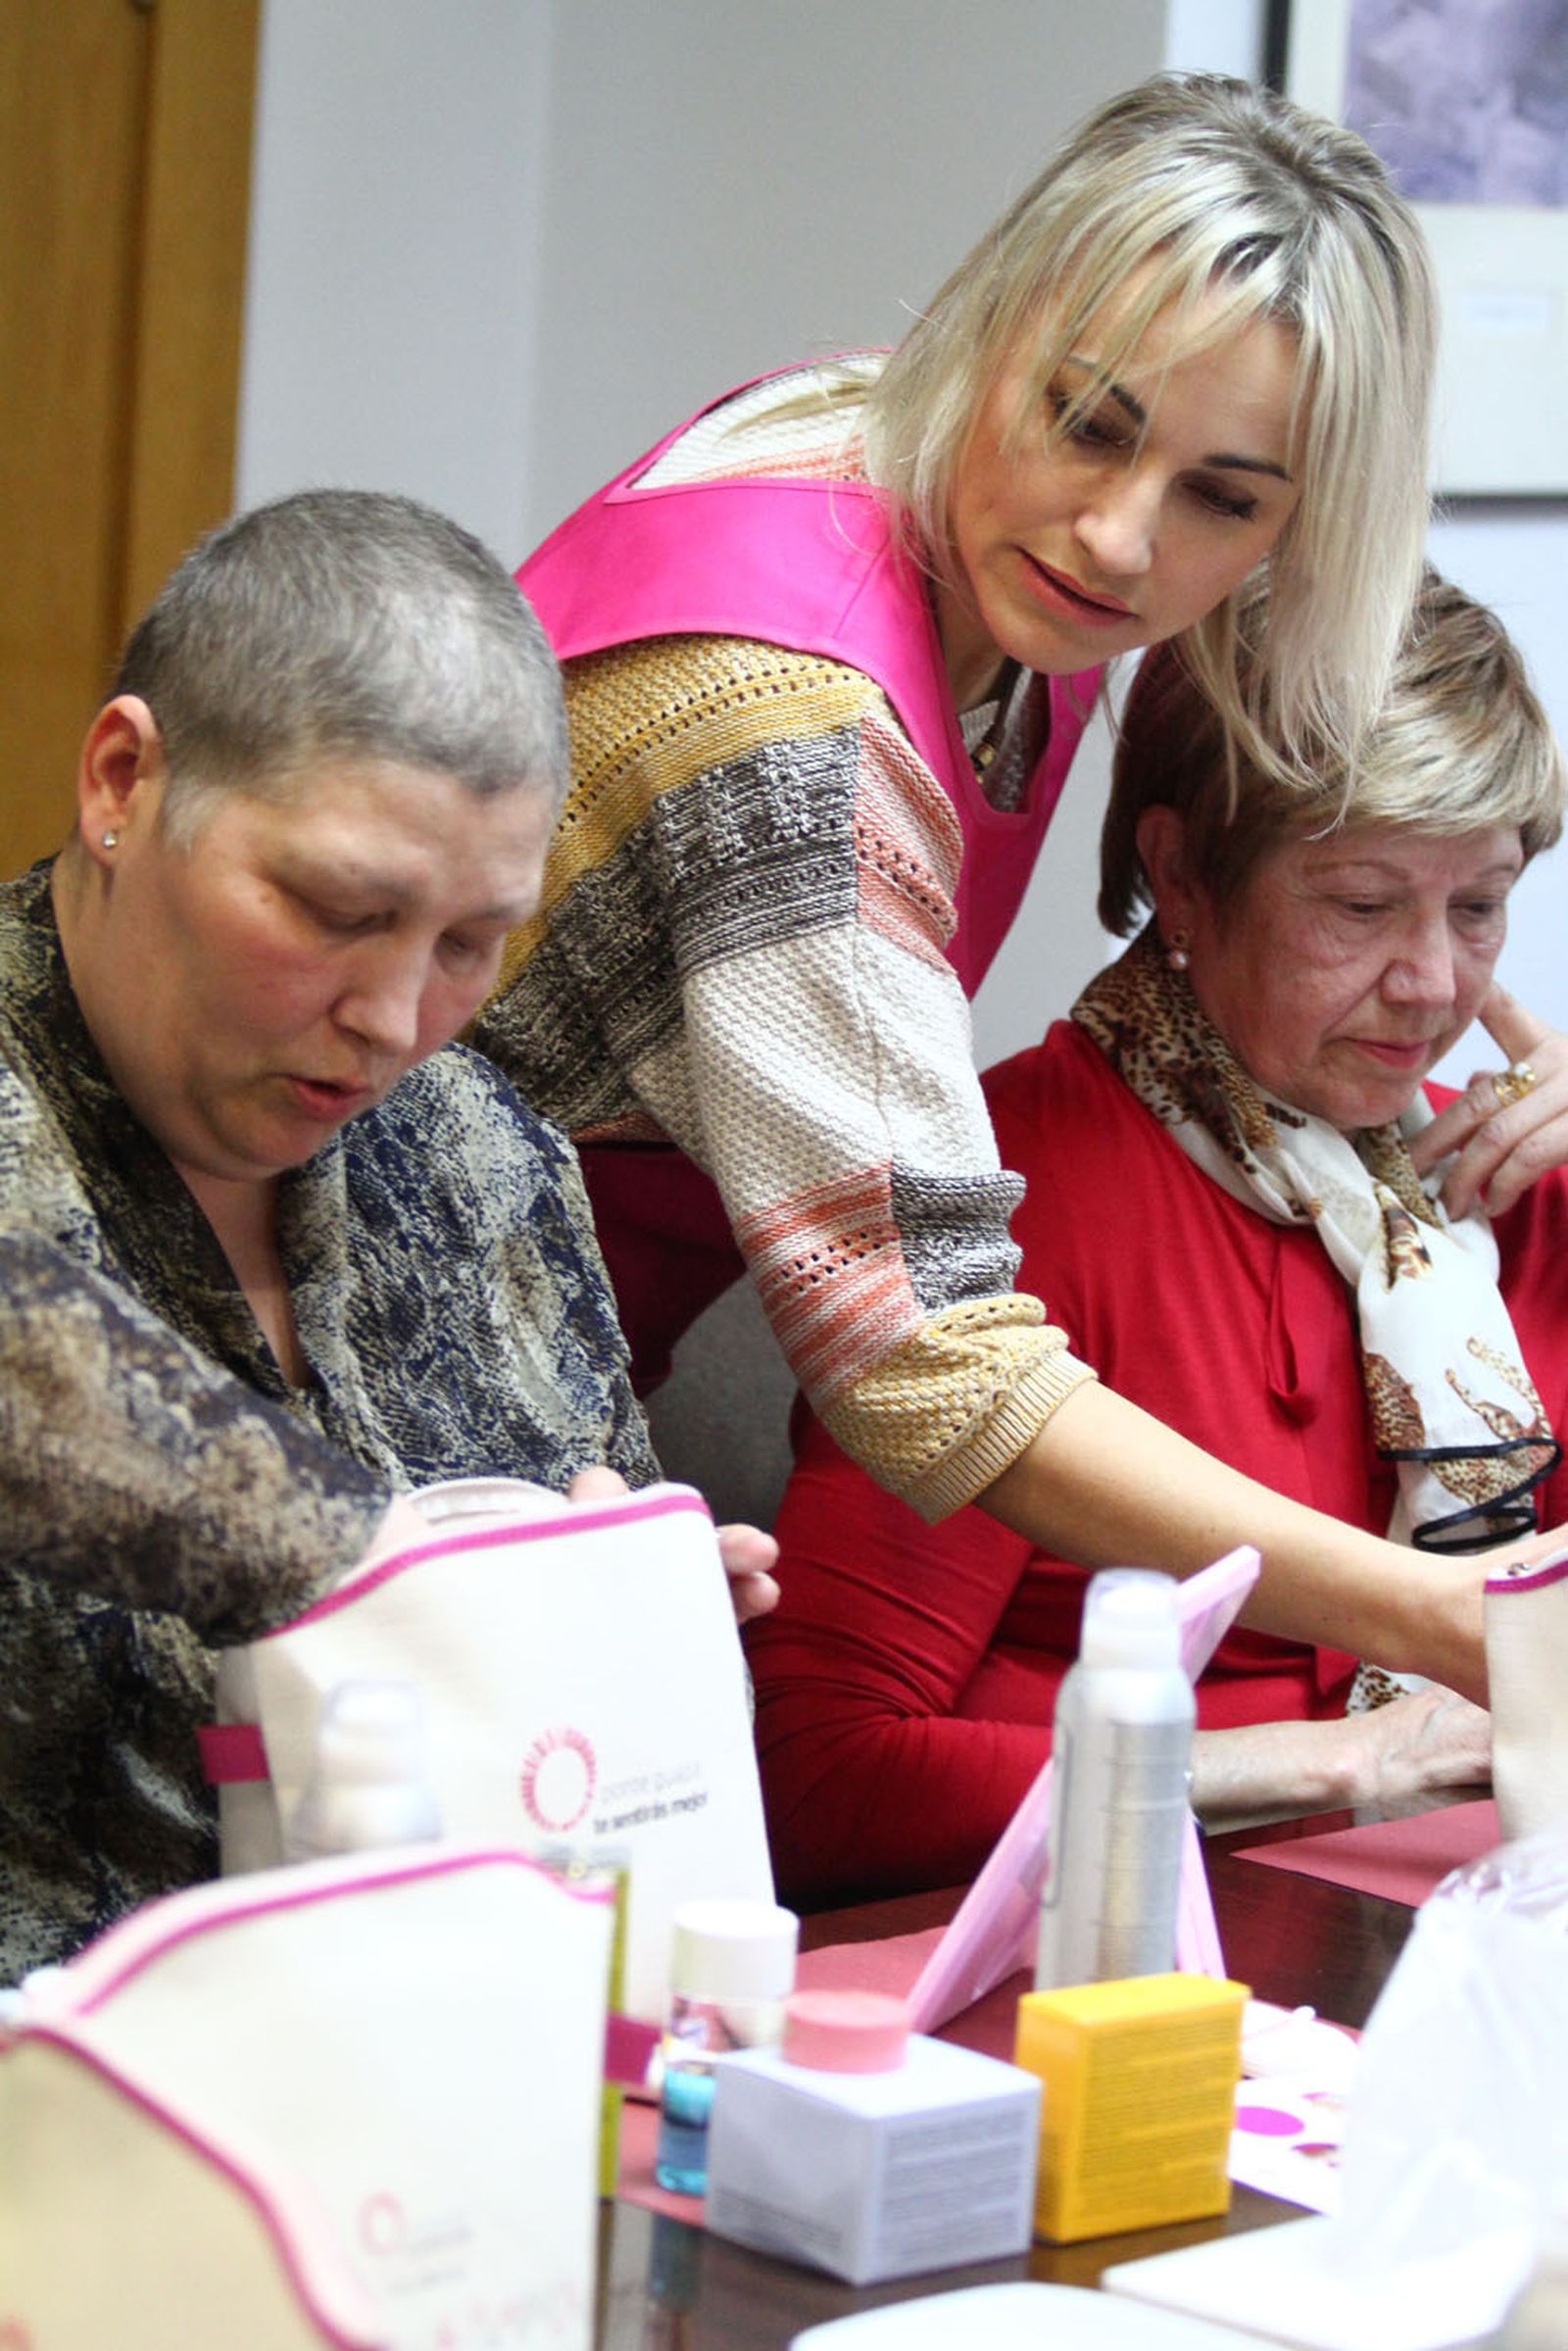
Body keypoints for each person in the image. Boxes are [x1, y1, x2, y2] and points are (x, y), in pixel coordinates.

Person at [473, 73, 1528, 1704]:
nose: (1117, 539)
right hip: (314, 1340)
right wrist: (1458, 1623)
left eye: (1224, 497)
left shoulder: (938, 488)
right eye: (1090, 420)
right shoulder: (798, 739)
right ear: (998, 320)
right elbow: (929, 1363)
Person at [0, 488, 776, 1981]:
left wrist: (634, 1634)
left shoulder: (488, 1153)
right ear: (121, 783)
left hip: (456, 2073)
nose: (396, 1020)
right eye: (337, 909)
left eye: (474, 943)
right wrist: (411, 1588)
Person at [747, 574, 1568, 1906]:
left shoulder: (1501, 1183)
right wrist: (1341, 1764)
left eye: (1479, 907)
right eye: (1362, 906)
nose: (1432, 983)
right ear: (1180, 876)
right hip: (1120, 1945)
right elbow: (821, 1781)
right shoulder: (1006, 1191)